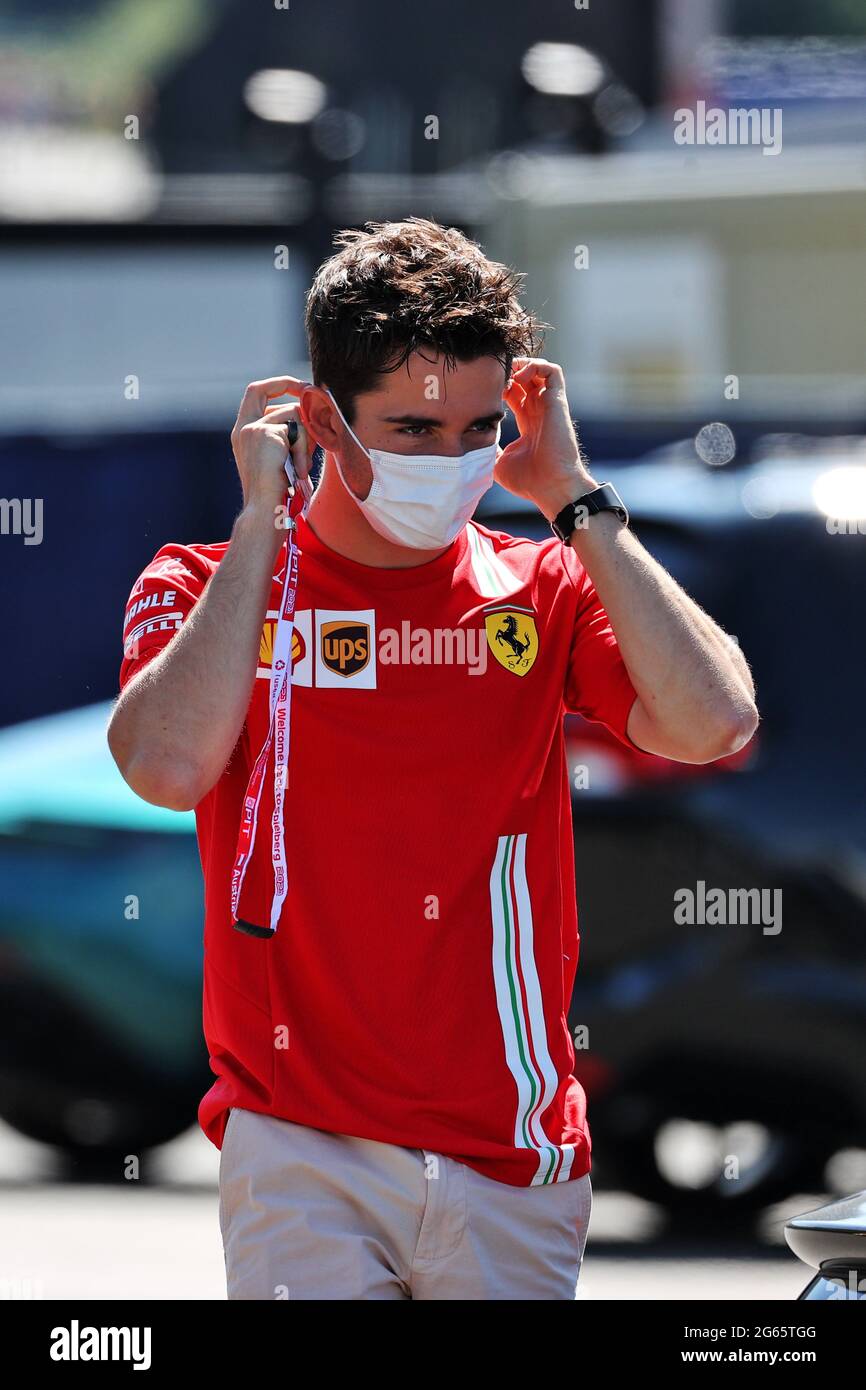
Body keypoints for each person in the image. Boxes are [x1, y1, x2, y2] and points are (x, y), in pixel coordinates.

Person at [107, 217, 758, 1300]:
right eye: (410, 428)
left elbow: (711, 722)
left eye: (475, 427)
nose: (452, 460)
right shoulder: (198, 584)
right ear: (317, 418)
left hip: (512, 1158)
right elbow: (166, 767)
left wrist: (573, 500)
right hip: (300, 1148)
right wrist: (263, 522)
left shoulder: (536, 583)